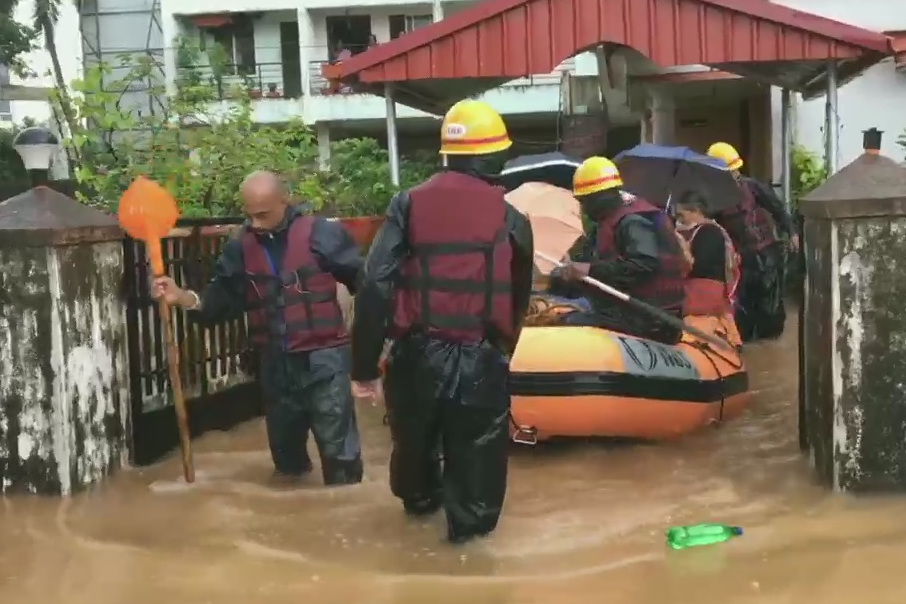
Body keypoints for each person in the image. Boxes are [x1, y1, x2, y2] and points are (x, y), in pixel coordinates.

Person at [348, 99, 534, 544]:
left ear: (447, 153)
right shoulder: (513, 219)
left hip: (416, 357)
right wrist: (499, 354)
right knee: (477, 475)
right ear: (495, 158)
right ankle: (467, 554)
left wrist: (362, 368)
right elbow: (518, 300)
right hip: (479, 358)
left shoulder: (406, 204)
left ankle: (415, 537)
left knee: (413, 456)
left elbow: (374, 285)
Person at [151, 171, 365, 486]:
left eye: (263, 215)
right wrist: (181, 297)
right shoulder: (240, 248)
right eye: (250, 216)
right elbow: (218, 302)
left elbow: (367, 284)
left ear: (285, 201)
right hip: (275, 365)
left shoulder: (322, 234)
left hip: (324, 362)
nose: (256, 224)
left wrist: (376, 343)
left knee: (341, 462)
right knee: (287, 465)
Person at [552, 156, 689, 344]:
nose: (583, 208)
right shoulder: (606, 223)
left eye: (585, 201)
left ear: (602, 197)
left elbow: (644, 265)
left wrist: (589, 270)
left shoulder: (633, 222)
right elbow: (588, 262)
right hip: (628, 312)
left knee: (568, 323)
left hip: (651, 320)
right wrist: (568, 271)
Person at [706, 142, 798, 342]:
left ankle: (770, 344)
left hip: (768, 251)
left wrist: (792, 232)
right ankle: (748, 344)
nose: (734, 175)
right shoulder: (713, 199)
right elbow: (710, 228)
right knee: (745, 306)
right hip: (742, 258)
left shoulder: (752, 186)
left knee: (771, 304)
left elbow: (777, 208)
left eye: (735, 171)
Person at [673, 190, 742, 348]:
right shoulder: (711, 231)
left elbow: (699, 266)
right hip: (712, 291)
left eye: (682, 214)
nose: (679, 219)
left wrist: (682, 246)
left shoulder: (709, 232)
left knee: (697, 334)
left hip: (703, 292)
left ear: (696, 211)